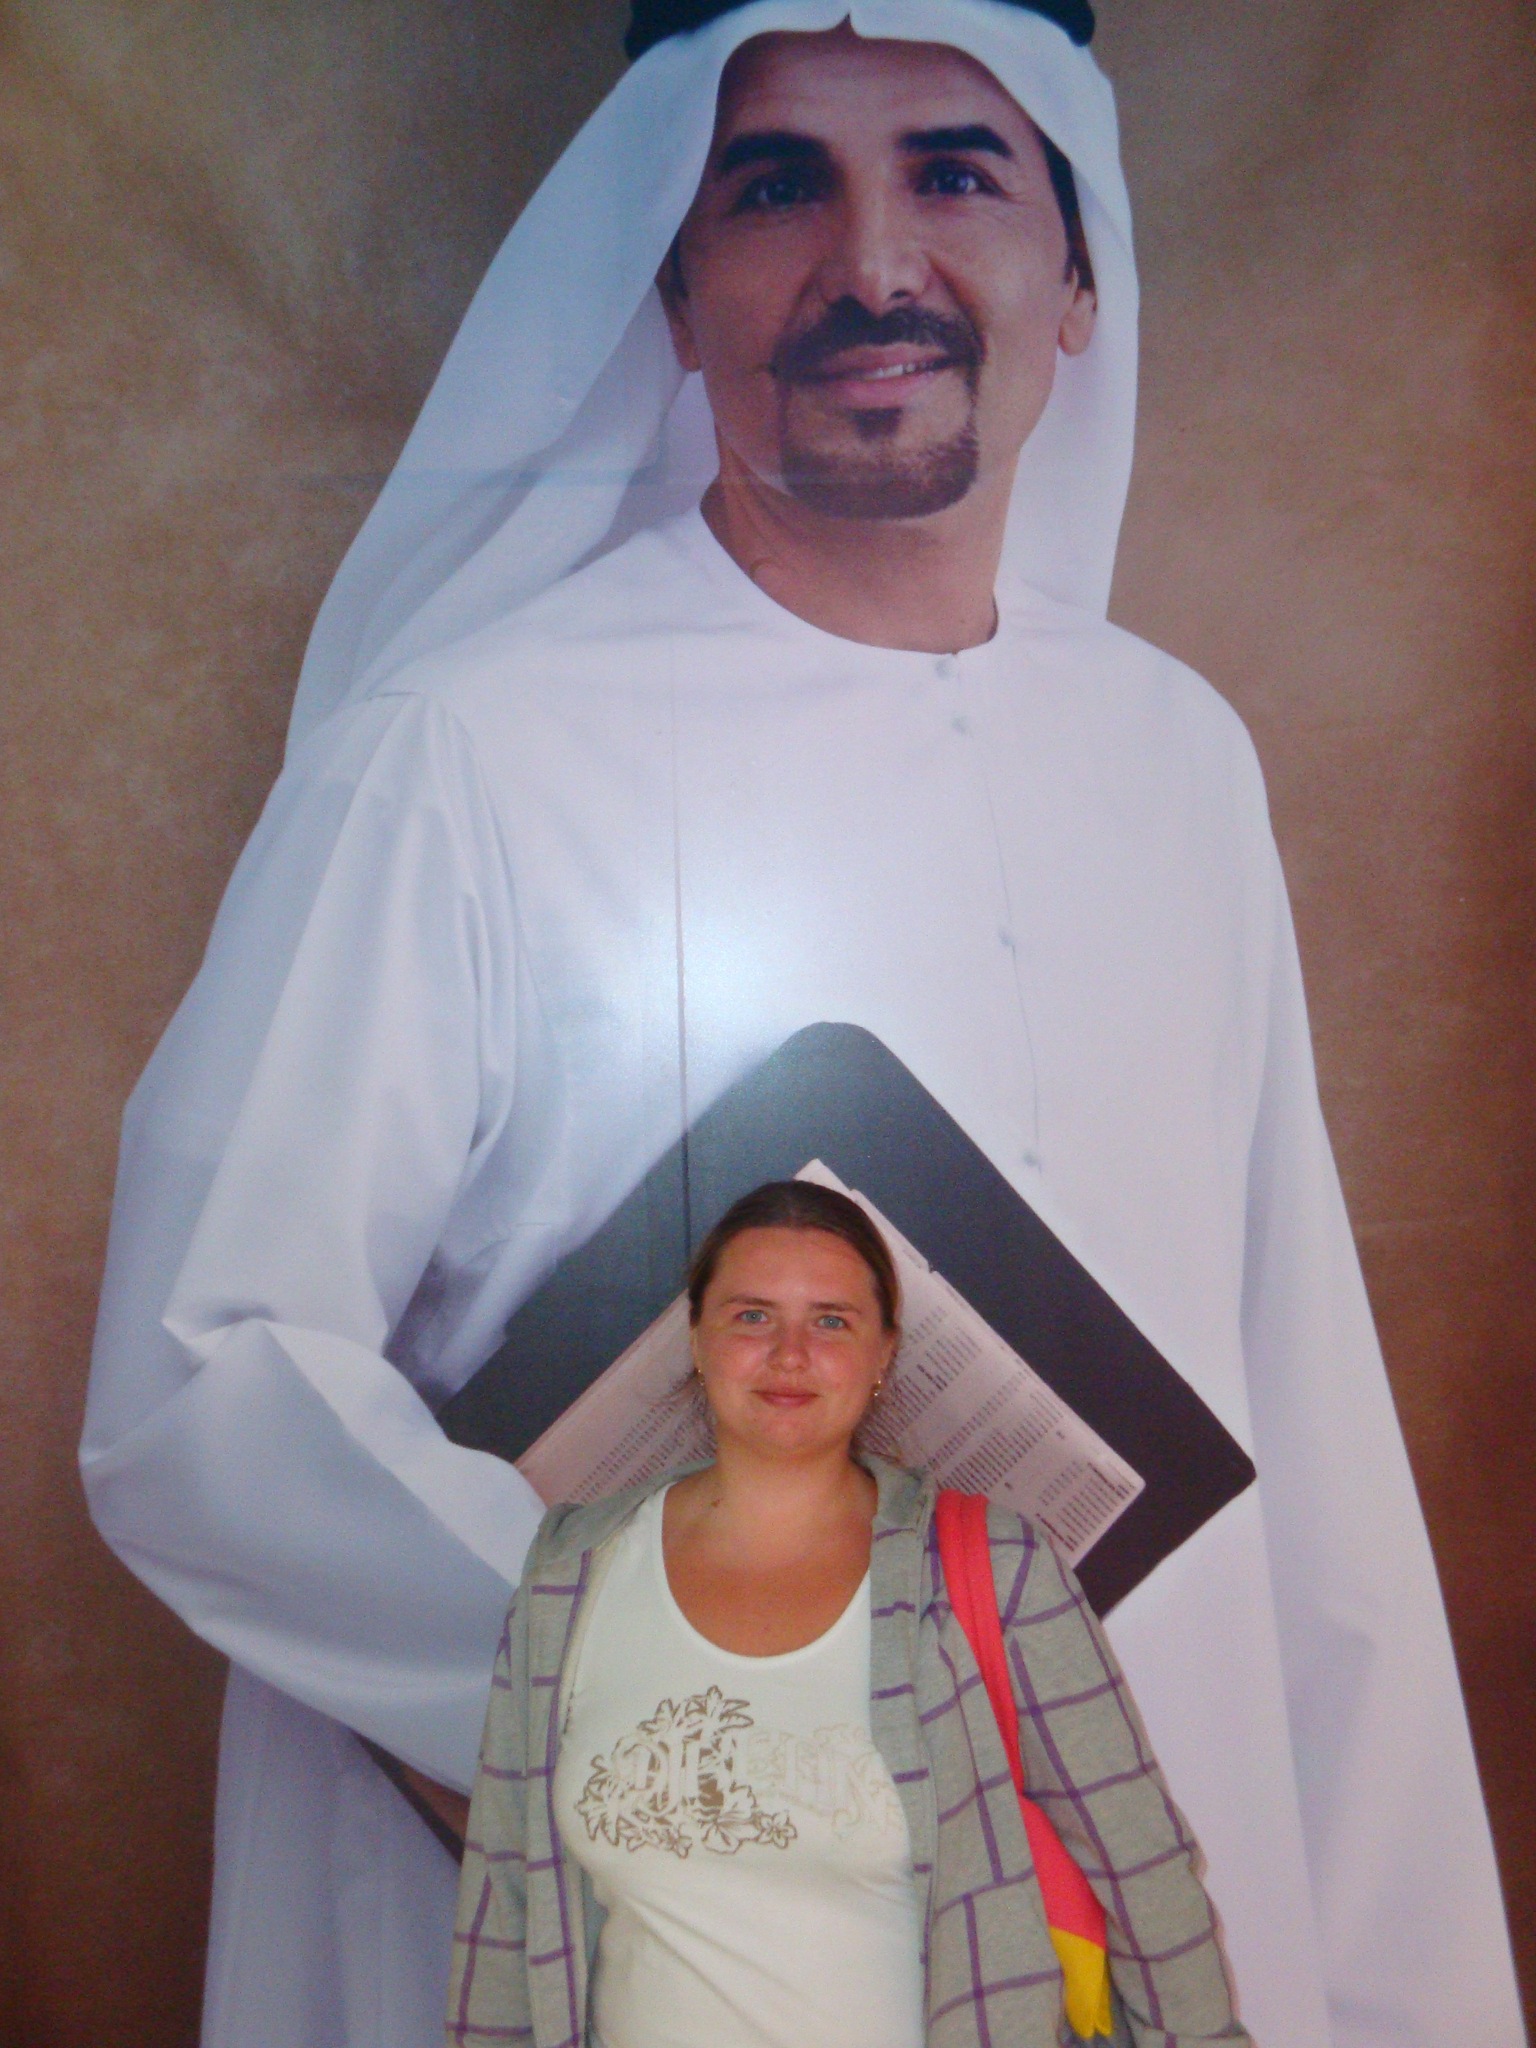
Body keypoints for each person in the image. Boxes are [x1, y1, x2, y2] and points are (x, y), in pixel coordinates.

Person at [80, 5, 1523, 2047]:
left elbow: (1305, 1436)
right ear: (673, 292)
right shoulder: (467, 754)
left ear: (1079, 273)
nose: (873, 263)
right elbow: (200, 1374)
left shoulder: (1177, 756)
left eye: (954, 170)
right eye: (774, 186)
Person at [448, 1180, 1251, 2048]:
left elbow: (1145, 1878)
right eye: (752, 1316)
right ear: (696, 1338)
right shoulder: (572, 1574)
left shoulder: (995, 1570)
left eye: (831, 1321)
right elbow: (503, 1902)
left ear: (884, 1354)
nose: (790, 1354)